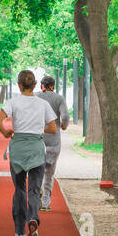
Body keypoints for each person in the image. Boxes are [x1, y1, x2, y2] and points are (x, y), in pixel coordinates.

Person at [0, 70, 56, 236]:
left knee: (20, 190)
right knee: (34, 191)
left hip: (18, 148)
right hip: (36, 148)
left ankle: (20, 234)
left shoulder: (13, 102)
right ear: (35, 85)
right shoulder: (42, 104)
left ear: (19, 85)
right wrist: (37, 129)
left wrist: (7, 132)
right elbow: (52, 128)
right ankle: (33, 219)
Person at [36, 74, 70, 211]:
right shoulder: (59, 98)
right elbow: (66, 116)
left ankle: (35, 195)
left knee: (36, 170)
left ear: (41, 86)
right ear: (53, 86)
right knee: (49, 172)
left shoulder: (35, 97)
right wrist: (64, 125)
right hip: (53, 141)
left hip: (37, 139)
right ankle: (45, 203)